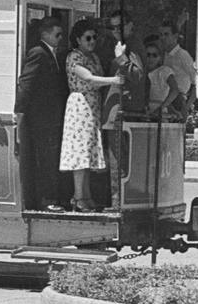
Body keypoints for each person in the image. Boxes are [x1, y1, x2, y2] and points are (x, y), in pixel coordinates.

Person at [59, 19, 123, 211]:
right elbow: (88, 78)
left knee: (88, 152)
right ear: (78, 39)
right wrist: (114, 80)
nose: (91, 41)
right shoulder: (74, 57)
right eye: (87, 38)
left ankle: (86, 196)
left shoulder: (93, 57)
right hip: (80, 106)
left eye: (94, 37)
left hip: (93, 106)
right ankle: (78, 197)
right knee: (80, 152)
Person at [14, 16, 69, 212]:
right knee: (45, 158)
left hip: (51, 117)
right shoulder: (38, 53)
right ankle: (47, 200)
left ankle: (51, 197)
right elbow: (26, 83)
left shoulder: (53, 53)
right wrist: (19, 112)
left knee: (51, 157)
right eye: (57, 34)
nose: (61, 38)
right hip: (41, 119)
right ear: (45, 34)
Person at [99, 16, 146, 208]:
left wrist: (121, 58)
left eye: (120, 26)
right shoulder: (110, 45)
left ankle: (118, 203)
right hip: (112, 111)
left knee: (119, 162)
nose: (116, 30)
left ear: (130, 25)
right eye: (112, 27)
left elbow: (137, 76)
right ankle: (115, 201)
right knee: (115, 161)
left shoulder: (131, 47)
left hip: (121, 112)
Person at [158, 18, 196, 120]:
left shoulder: (183, 55)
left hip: (178, 101)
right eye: (161, 34)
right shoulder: (162, 54)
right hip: (163, 99)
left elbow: (197, 83)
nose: (162, 37)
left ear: (175, 36)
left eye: (166, 34)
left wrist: (186, 107)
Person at [143, 35, 180, 120]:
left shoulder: (164, 71)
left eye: (154, 55)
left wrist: (160, 109)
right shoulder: (140, 72)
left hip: (160, 115)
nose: (151, 58)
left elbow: (175, 90)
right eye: (148, 55)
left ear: (160, 58)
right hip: (144, 113)